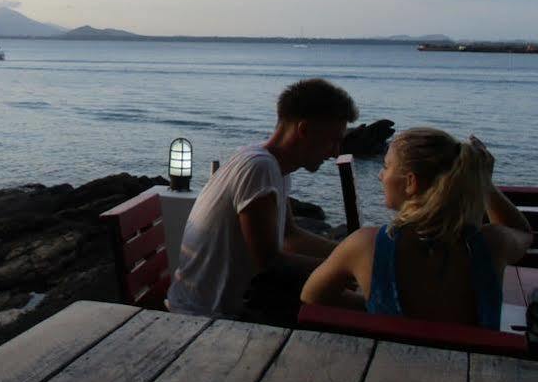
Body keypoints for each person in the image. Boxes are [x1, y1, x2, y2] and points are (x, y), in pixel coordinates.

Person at [167, 78, 359, 322]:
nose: (335, 153)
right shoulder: (259, 168)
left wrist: (352, 256)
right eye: (333, 140)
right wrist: (345, 270)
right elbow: (269, 263)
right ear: (303, 130)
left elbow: (291, 236)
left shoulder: (272, 164)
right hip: (207, 317)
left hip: (211, 307)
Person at [301, 129, 532, 328]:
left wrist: (374, 306)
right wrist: (485, 184)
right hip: (472, 374)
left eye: (386, 166)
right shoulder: (491, 244)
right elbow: (523, 233)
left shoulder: (364, 245)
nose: (381, 175)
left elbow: (311, 296)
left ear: (411, 182)